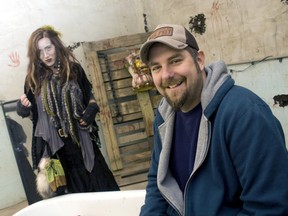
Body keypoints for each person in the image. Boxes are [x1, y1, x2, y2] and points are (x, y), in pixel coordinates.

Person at [139, 24, 288, 215]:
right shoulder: (164, 116)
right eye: (156, 67)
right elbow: (157, 184)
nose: (166, 75)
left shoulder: (244, 113)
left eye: (175, 61)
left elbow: (270, 206)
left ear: (199, 60)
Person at [16, 26, 119, 197]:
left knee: (103, 191)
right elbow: (28, 112)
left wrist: (92, 109)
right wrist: (22, 108)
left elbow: (89, 96)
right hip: (55, 152)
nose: (46, 55)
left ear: (56, 46)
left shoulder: (74, 70)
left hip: (82, 142)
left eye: (48, 48)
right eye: (40, 52)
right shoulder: (33, 79)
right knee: (68, 200)